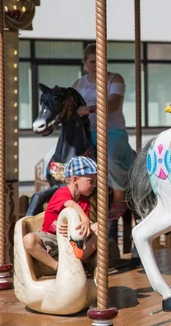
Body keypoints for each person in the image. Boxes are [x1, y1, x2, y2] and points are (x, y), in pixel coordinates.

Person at [73, 44, 135, 221]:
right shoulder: (78, 84)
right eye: (92, 61)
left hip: (112, 131)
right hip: (86, 133)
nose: (96, 65)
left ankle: (118, 196)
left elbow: (113, 103)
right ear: (85, 63)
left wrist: (90, 109)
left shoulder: (115, 79)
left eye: (100, 61)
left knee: (109, 159)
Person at [22, 156, 98, 271]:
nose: (95, 185)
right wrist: (85, 219)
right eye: (91, 181)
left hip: (73, 237)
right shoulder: (62, 193)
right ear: (75, 179)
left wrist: (85, 224)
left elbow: (82, 225)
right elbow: (71, 205)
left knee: (100, 228)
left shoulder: (84, 201)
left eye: (95, 182)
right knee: (28, 240)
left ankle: (81, 258)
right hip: (51, 237)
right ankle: (56, 266)